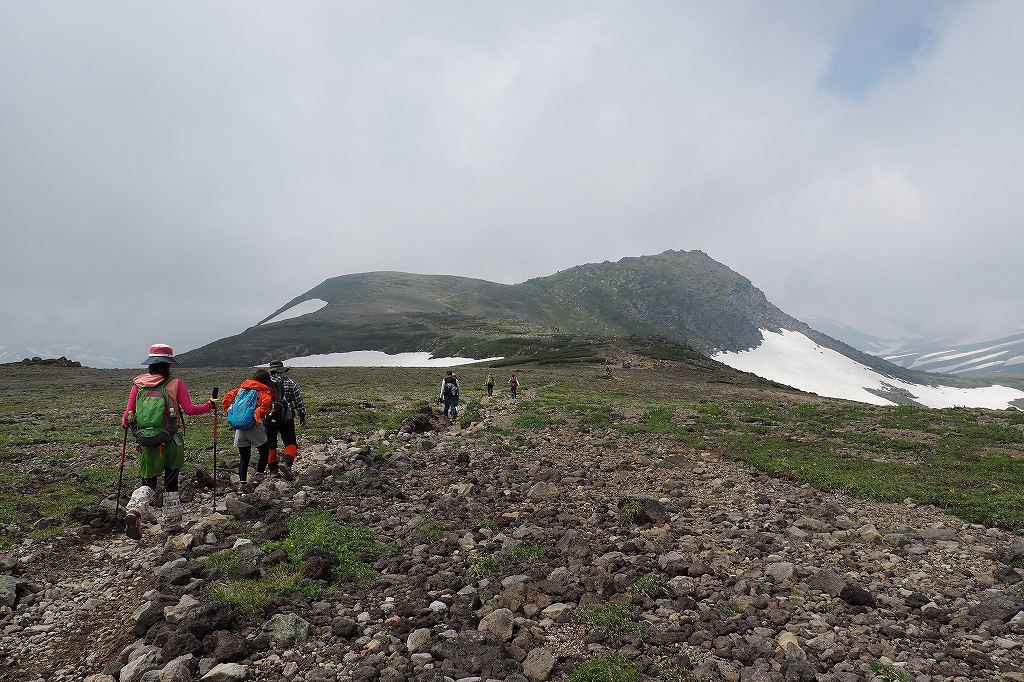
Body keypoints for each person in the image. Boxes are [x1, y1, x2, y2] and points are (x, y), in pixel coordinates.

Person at [121, 344, 216, 539]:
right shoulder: (176, 383)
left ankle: (134, 512)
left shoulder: (137, 384)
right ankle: (172, 526)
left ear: (150, 365)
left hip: (146, 442)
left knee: (148, 481)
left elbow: (128, 415)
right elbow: (189, 410)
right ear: (168, 364)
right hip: (172, 439)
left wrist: (126, 426)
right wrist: (209, 405)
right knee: (171, 482)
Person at [222, 369, 275, 493]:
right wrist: (258, 415)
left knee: (244, 457)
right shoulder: (264, 390)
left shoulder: (242, 388)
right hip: (255, 426)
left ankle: (242, 484)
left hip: (240, 427)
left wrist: (230, 411)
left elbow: (227, 398)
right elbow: (266, 405)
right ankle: (258, 477)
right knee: (264, 451)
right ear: (267, 380)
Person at [266, 360, 306, 481]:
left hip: (268, 418)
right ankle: (287, 463)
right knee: (290, 442)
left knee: (270, 444)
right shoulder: (290, 383)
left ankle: (273, 470)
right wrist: (302, 415)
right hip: (286, 418)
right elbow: (298, 400)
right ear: (282, 371)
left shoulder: (264, 384)